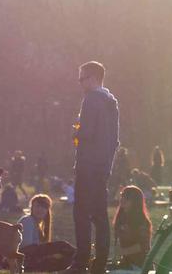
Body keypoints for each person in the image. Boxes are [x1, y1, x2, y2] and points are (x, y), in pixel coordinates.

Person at [67, 61, 120, 274]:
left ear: (94, 78)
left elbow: (87, 132)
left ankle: (81, 263)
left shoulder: (91, 99)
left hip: (87, 165)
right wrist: (108, 165)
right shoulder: (111, 102)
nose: (80, 83)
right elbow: (115, 140)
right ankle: (100, 263)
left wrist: (76, 132)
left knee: (81, 214)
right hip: (102, 167)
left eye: (83, 78)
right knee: (100, 216)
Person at [19, 194, 76, 272]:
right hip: (24, 258)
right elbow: (26, 246)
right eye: (37, 206)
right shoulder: (27, 220)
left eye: (43, 207)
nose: (40, 209)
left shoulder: (37, 226)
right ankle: (83, 257)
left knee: (66, 260)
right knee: (62, 245)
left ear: (47, 210)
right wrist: (49, 250)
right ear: (32, 208)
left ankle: (80, 262)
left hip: (31, 262)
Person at [113, 186, 152, 270]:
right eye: (122, 195)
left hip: (140, 266)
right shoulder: (121, 218)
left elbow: (144, 246)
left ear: (135, 201)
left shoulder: (142, 221)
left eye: (127, 197)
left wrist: (124, 251)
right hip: (126, 264)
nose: (123, 199)